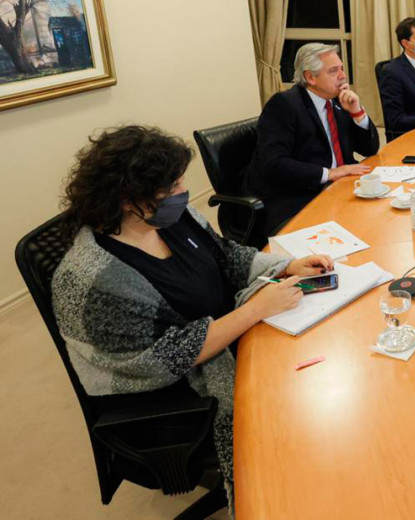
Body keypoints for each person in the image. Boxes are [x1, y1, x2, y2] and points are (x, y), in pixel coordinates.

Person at [52, 126, 332, 504]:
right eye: (170, 186)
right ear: (126, 198)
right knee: (300, 418)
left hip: (228, 333)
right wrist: (255, 310)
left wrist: (286, 265)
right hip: (172, 395)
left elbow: (226, 255)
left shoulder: (169, 218)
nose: (182, 192)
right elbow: (165, 357)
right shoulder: (93, 279)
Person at [244, 43, 379, 237]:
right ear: (310, 77)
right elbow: (274, 164)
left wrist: (357, 112)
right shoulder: (284, 105)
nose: (342, 75)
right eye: (333, 71)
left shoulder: (336, 102)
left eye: (341, 68)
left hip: (340, 187)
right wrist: (330, 173)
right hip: (299, 195)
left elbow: (369, 149)